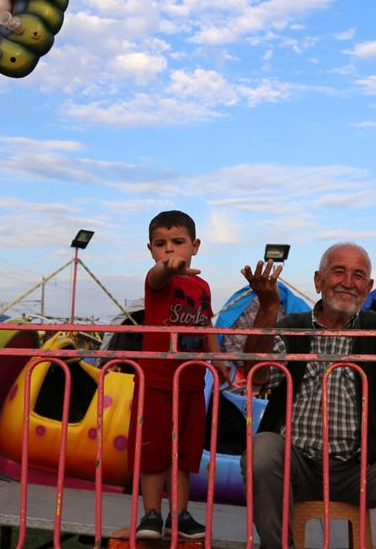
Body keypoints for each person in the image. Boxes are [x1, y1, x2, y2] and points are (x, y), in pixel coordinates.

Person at [240, 242, 376, 549]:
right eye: (338, 271)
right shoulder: (292, 329)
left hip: (364, 468)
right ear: (318, 281)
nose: (347, 282)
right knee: (261, 450)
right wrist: (268, 307)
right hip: (297, 463)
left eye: (358, 275)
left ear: (367, 288)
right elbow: (255, 372)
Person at [132, 210, 222, 540]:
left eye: (178, 242)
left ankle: (179, 514)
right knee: (153, 449)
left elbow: (206, 324)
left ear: (195, 246)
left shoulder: (201, 285)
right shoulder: (156, 280)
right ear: (151, 249)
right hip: (155, 380)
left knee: (184, 453)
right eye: (161, 244)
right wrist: (165, 269)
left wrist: (219, 359)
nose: (169, 250)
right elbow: (158, 276)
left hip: (191, 380)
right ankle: (152, 514)